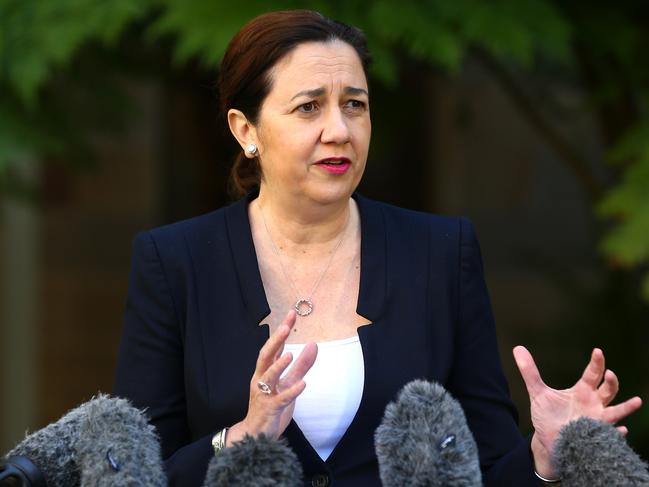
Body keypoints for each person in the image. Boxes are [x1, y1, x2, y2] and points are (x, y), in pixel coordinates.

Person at [114, 10, 642, 487]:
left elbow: (486, 465)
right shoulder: (175, 262)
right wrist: (242, 437)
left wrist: (543, 456)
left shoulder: (439, 253)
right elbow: (133, 472)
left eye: (354, 105)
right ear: (245, 128)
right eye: (308, 107)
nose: (339, 130)